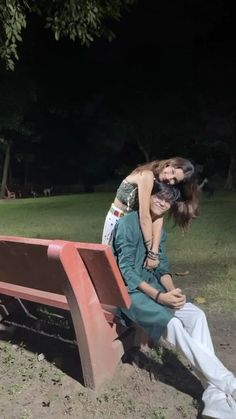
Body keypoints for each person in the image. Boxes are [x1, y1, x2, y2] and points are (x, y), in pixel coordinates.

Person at [112, 181, 236, 419]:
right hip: (130, 294)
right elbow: (126, 271)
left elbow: (163, 269)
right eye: (159, 196)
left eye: (168, 200)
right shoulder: (128, 224)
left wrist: (173, 292)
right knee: (175, 325)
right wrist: (160, 296)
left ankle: (213, 395)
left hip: (156, 290)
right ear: (148, 195)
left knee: (197, 315)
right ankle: (228, 383)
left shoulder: (160, 232)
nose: (163, 202)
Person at [102, 157, 198, 270]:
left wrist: (154, 251)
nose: (169, 178)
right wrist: (150, 251)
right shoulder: (147, 175)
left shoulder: (160, 182)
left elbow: (158, 216)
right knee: (108, 262)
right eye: (172, 172)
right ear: (169, 164)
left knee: (128, 266)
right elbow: (145, 216)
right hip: (117, 220)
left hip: (133, 224)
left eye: (175, 180)